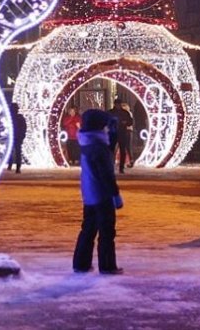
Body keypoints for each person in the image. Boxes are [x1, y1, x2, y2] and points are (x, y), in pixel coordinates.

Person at [72, 109, 124, 275]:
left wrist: (113, 134)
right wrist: (115, 194)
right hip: (102, 194)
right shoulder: (98, 147)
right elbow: (106, 174)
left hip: (89, 193)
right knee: (107, 230)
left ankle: (81, 263)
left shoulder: (88, 141)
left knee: (88, 228)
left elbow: (108, 146)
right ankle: (107, 265)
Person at [110, 98, 134, 173]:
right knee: (112, 150)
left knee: (122, 150)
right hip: (114, 133)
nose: (118, 106)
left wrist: (125, 123)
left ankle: (121, 167)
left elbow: (130, 122)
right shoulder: (111, 112)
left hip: (121, 133)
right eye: (117, 104)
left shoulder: (124, 113)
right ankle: (111, 165)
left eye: (119, 104)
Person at [9, 103, 27, 173]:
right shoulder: (16, 118)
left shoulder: (17, 118)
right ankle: (15, 166)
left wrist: (22, 135)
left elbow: (23, 127)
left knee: (15, 152)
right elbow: (24, 128)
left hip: (16, 137)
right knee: (15, 152)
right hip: (15, 137)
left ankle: (16, 166)